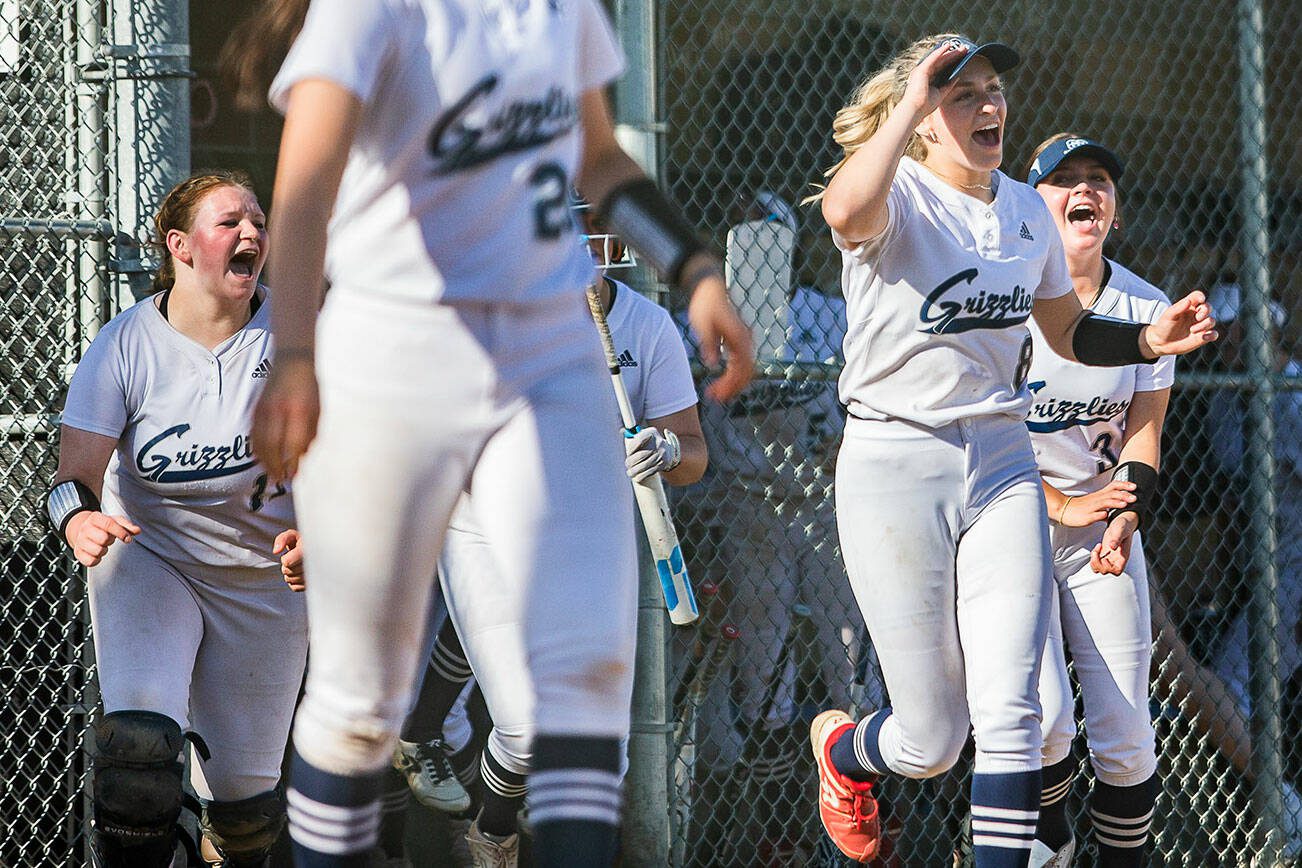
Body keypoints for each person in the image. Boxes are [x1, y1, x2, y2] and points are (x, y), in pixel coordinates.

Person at [224, 2, 752, 865]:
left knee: (584, 685)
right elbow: (304, 184)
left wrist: (692, 267)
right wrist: (291, 351)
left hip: (548, 356)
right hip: (396, 353)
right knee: (360, 709)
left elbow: (601, 159)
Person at [802, 35, 1216, 868]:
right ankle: (843, 754)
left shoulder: (1026, 209)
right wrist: (914, 98)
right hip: (896, 461)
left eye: (993, 90)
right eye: (964, 95)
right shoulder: (901, 192)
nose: (989, 105)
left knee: (1016, 715)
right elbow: (843, 213)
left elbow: (1067, 330)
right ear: (921, 119)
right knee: (932, 738)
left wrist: (1147, 335)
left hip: (999, 460)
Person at [383, 205, 708, 867]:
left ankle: (495, 824)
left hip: (591, 540)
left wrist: (668, 448)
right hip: (480, 528)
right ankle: (494, 832)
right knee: (529, 728)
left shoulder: (646, 328)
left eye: (587, 224)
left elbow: (696, 453)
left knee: (601, 756)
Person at [45, 170, 308, 868]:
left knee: (246, 813)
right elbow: (70, 482)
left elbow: (353, 469)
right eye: (230, 222)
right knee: (138, 758)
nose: (251, 232)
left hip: (263, 582)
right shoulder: (125, 345)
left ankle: (201, 838)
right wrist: (79, 524)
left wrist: (325, 536)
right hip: (152, 561)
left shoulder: (298, 338)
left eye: (258, 220)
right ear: (181, 246)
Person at [1017, 133, 1174, 867]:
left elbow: (1145, 439)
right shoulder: (1006, 297)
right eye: (1066, 179)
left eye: (1100, 179)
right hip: (1008, 521)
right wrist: (1058, 503)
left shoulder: (1145, 304)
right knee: (1045, 721)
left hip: (1099, 532)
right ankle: (1050, 839)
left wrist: (1122, 516)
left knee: (1126, 736)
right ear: (1030, 200)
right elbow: (974, 436)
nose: (1088, 189)